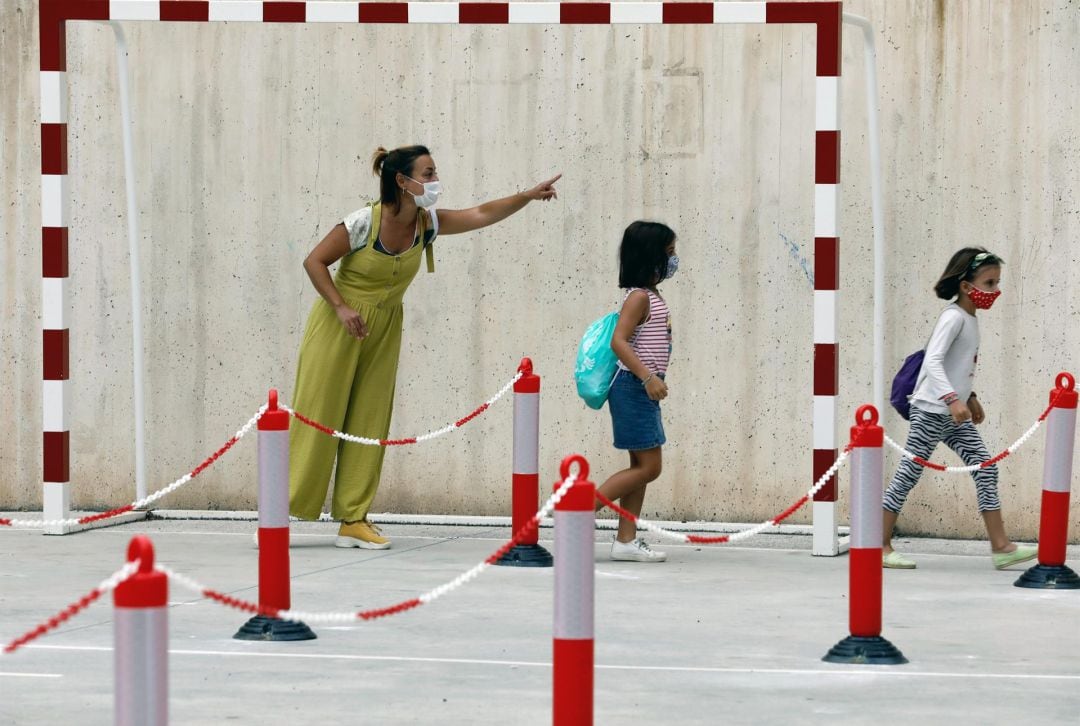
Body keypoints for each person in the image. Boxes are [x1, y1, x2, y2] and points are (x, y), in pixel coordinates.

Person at [289, 144, 560, 549]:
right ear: (402, 181)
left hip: (385, 326)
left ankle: (353, 519)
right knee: (319, 413)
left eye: (434, 173)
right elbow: (314, 261)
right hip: (338, 323)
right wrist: (341, 307)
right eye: (428, 174)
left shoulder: (426, 223)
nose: (435, 182)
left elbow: (481, 214)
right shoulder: (364, 221)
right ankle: (280, 511)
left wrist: (525, 196)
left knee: (370, 420)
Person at [882, 247, 1036, 570]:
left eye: (996, 283)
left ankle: (1001, 547)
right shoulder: (953, 318)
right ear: (967, 287)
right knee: (908, 474)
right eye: (989, 283)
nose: (995, 291)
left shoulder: (968, 319)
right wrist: (953, 399)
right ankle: (878, 545)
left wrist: (970, 397)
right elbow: (934, 360)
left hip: (954, 413)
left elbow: (957, 366)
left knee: (985, 467)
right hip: (931, 410)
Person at [594, 221, 677, 562]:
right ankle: (578, 510)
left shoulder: (650, 295)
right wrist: (647, 378)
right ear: (651, 256)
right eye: (669, 253)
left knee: (638, 468)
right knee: (650, 468)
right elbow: (619, 342)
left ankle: (626, 540)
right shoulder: (639, 297)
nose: (674, 260)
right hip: (633, 387)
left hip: (640, 389)